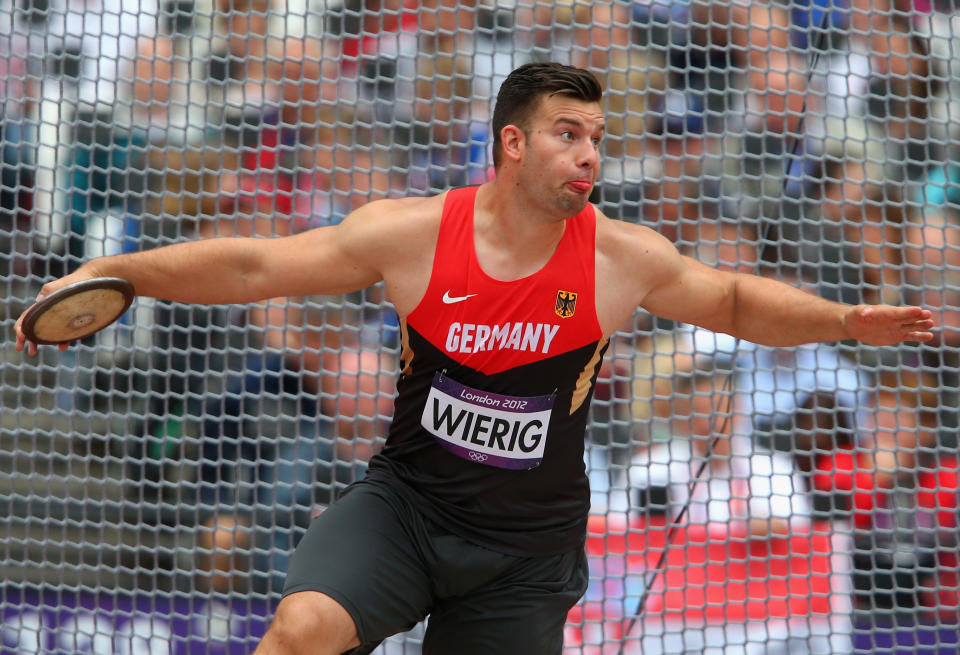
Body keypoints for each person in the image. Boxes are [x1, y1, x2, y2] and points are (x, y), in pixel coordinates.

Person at [15, 63, 935, 655]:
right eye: (568, 133)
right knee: (298, 630)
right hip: (407, 510)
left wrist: (847, 318)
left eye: (599, 140)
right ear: (511, 142)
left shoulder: (618, 256)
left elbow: (731, 299)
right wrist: (121, 270)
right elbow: (259, 263)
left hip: (524, 553)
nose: (589, 156)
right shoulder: (414, 234)